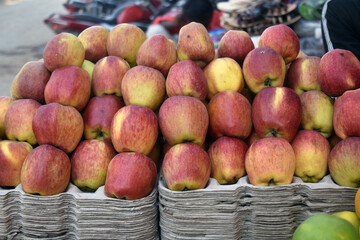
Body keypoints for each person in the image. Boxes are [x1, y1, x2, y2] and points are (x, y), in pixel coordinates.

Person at [146, 0, 216, 41]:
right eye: (190, 21)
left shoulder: (219, 18)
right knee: (155, 30)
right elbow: (156, 23)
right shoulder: (183, 18)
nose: (191, 23)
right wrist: (173, 24)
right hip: (181, 48)